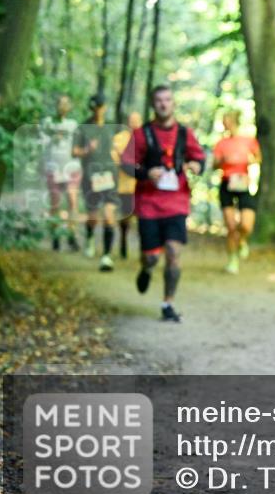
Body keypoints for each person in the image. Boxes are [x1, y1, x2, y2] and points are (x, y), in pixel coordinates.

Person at [122, 85, 205, 322]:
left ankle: (168, 304)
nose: (163, 104)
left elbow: (199, 158)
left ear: (173, 103)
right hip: (148, 203)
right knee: (151, 257)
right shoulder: (142, 134)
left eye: (167, 99)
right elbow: (126, 164)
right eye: (159, 100)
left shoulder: (184, 133)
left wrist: (196, 166)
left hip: (177, 202)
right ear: (153, 104)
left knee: (173, 252)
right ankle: (146, 268)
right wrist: (146, 173)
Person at [73, 94, 121, 271]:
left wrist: (118, 155)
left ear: (105, 107)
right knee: (92, 215)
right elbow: (74, 151)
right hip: (90, 177)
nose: (98, 110)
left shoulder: (112, 127)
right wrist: (87, 149)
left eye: (100, 107)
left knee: (109, 214)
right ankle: (90, 237)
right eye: (95, 107)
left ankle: (106, 256)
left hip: (110, 176)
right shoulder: (83, 128)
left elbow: (120, 146)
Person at [212, 109, 261, 274]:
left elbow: (258, 158)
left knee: (246, 225)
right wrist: (222, 161)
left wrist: (248, 160)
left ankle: (242, 241)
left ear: (234, 121)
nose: (224, 124)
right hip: (227, 183)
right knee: (231, 226)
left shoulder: (248, 140)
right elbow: (214, 165)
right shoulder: (221, 143)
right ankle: (233, 260)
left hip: (243, 183)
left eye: (226, 121)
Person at [40, 95, 81, 252]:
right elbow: (41, 144)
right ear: (56, 105)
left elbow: (77, 145)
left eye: (66, 104)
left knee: (72, 200)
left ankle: (72, 235)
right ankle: (55, 235)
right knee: (55, 203)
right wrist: (53, 138)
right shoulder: (47, 123)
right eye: (60, 103)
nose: (62, 106)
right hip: (53, 168)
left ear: (70, 107)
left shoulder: (73, 124)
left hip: (71, 168)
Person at [112, 111, 143, 259]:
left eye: (137, 120)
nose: (134, 123)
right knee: (126, 217)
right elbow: (114, 158)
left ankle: (145, 249)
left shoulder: (145, 138)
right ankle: (123, 243)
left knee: (144, 218)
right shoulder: (119, 138)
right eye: (132, 120)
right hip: (125, 186)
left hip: (142, 186)